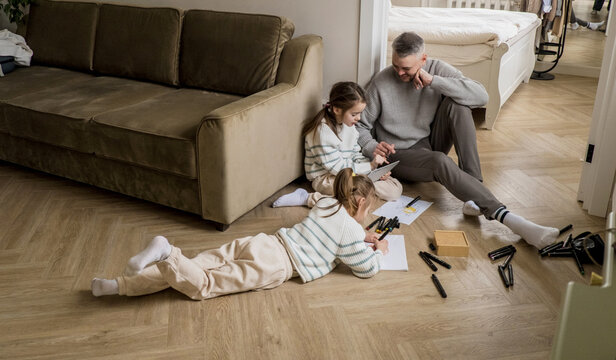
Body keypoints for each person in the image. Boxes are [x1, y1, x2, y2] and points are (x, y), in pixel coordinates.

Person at [355, 31, 559, 249]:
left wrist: (434, 82)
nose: (400, 72)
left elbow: (481, 97)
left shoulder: (437, 70)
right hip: (399, 155)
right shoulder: (382, 82)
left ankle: (473, 194)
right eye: (396, 65)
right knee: (440, 161)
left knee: (459, 105)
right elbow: (359, 126)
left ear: (424, 60)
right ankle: (508, 218)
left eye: (406, 68)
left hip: (429, 143)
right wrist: (373, 147)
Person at [91, 169, 389, 300]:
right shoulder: (350, 230)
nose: (367, 219)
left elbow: (327, 217)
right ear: (360, 203)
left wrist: (361, 235)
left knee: (194, 267)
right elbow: (365, 269)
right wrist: (379, 250)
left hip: (265, 242)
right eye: (368, 210)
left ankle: (118, 286)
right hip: (276, 266)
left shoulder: (327, 202)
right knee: (203, 286)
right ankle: (167, 251)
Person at [273, 82, 403, 208]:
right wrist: (369, 167)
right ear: (336, 110)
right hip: (327, 178)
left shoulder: (349, 125)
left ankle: (368, 186)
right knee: (354, 193)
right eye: (354, 114)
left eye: (360, 113)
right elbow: (336, 168)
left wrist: (375, 171)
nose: (358, 118)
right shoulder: (322, 132)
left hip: (349, 173)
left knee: (394, 190)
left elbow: (354, 154)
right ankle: (307, 198)